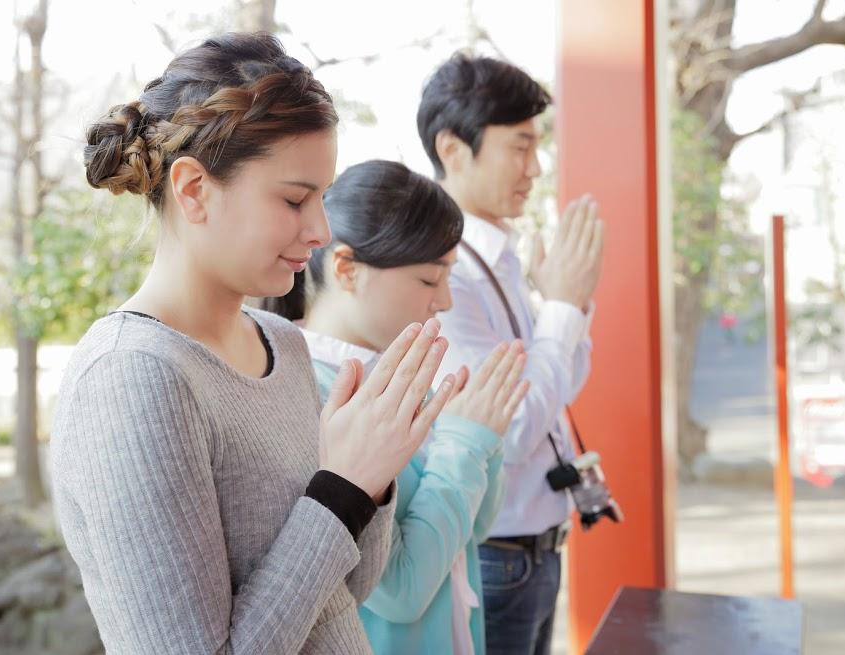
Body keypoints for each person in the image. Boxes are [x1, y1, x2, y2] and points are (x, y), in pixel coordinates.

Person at [51, 33, 457, 655]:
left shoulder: (283, 343)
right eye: (295, 199)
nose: (320, 229)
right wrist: (341, 488)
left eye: (322, 198)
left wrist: (371, 478)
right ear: (193, 191)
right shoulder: (131, 377)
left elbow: (347, 592)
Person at [266, 159, 528, 655]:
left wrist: (481, 433)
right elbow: (400, 592)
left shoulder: (399, 373)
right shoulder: (312, 395)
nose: (445, 300)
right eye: (430, 280)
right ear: (346, 268)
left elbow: (475, 529)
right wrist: (465, 445)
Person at [417, 53, 606, 655]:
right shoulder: (444, 277)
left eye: (537, 146)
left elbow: (562, 383)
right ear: (453, 149)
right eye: (519, 147)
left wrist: (567, 309)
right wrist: (564, 309)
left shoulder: (497, 256)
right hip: (496, 556)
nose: (536, 166)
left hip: (534, 547)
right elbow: (513, 428)